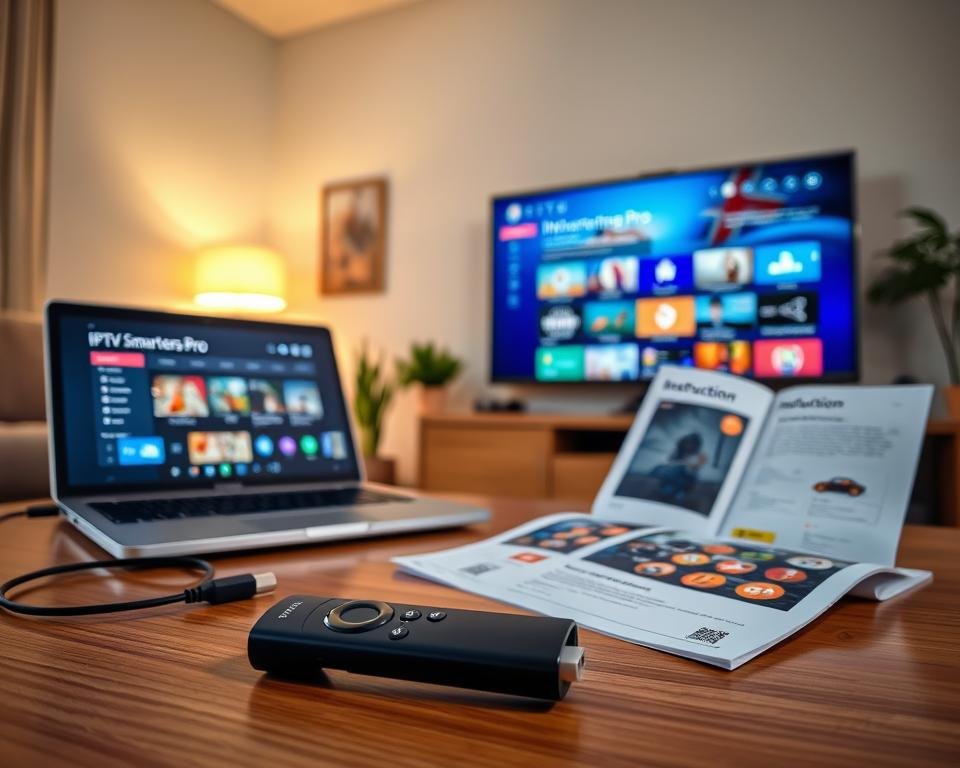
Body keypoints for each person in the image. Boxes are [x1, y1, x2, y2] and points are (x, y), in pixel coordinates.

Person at [649, 432, 707, 503]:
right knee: (661, 469)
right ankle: (666, 491)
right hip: (671, 476)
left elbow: (694, 470)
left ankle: (673, 493)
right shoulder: (677, 453)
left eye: (691, 444)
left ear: (696, 445)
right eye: (687, 443)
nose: (688, 446)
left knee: (679, 473)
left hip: (686, 479)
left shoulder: (699, 456)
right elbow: (668, 462)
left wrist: (687, 467)